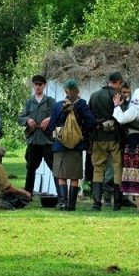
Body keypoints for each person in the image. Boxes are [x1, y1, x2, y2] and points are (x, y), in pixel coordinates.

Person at [47, 79, 96, 211]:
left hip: (60, 145)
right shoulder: (82, 104)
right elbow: (91, 122)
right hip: (77, 145)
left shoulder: (58, 106)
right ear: (77, 90)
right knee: (74, 176)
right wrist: (81, 132)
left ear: (65, 91)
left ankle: (63, 203)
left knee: (61, 175)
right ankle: (72, 205)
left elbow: (52, 125)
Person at [88, 72, 123, 211]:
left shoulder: (94, 96)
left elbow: (89, 117)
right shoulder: (118, 96)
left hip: (98, 137)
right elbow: (123, 118)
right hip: (115, 138)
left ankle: (96, 203)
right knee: (117, 168)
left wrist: (97, 125)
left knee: (98, 169)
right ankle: (117, 204)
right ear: (118, 82)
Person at [17, 74, 57, 195]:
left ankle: (61, 197)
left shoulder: (50, 101)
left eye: (40, 84)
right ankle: (27, 195)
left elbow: (59, 115)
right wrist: (28, 120)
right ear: (33, 86)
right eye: (36, 84)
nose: (38, 87)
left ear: (44, 86)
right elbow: (20, 118)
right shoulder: (29, 102)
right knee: (30, 169)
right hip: (33, 140)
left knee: (55, 169)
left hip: (47, 140)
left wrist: (49, 119)